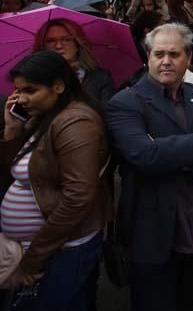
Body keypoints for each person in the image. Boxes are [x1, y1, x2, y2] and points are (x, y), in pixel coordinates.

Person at [106, 23, 193, 311]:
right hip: (152, 232)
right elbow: (143, 155)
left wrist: (176, 160)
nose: (166, 61)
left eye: (174, 54)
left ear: (188, 58)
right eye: (159, 54)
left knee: (191, 302)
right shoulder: (125, 103)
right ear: (148, 57)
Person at [0, 51, 111, 310]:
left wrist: (33, 260)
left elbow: (77, 198)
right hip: (45, 248)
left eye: (30, 90)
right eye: (18, 91)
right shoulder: (43, 117)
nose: (21, 99)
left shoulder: (76, 122)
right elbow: (10, 171)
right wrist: (13, 129)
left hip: (62, 251)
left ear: (59, 86)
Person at [32, 18, 116, 110]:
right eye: (51, 41)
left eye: (66, 40)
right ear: (43, 46)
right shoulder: (32, 78)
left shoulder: (100, 77)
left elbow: (108, 116)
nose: (58, 46)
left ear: (78, 44)